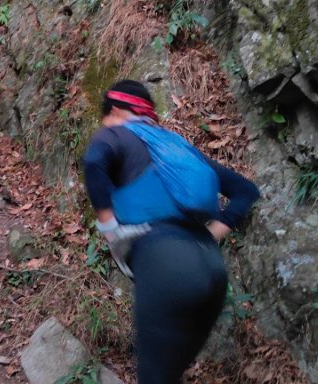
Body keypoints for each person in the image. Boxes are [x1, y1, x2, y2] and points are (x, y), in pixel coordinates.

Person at [82, 79, 259, 384]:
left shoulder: (114, 134)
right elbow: (245, 190)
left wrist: (111, 231)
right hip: (213, 270)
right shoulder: (177, 151)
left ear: (114, 111)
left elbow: (94, 160)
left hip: (166, 263)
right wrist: (211, 234)